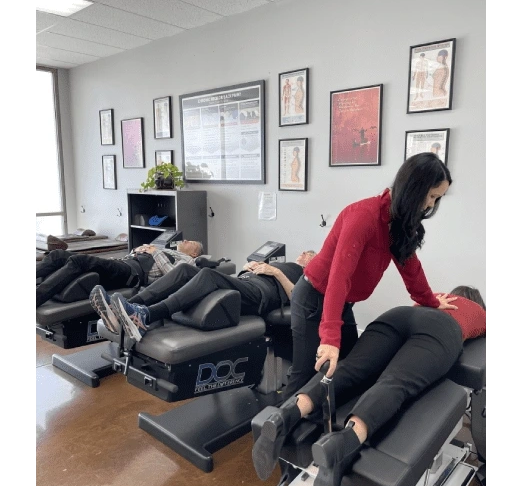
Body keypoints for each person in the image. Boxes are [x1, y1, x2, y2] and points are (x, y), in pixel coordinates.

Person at [252, 285, 487, 486]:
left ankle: (286, 415)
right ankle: (342, 444)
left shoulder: (435, 297)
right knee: (395, 383)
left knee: (350, 369)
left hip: (397, 315)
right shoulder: (478, 311)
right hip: (441, 331)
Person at [284, 152, 457, 400]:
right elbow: (338, 278)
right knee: (305, 376)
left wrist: (430, 300)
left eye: (436, 199)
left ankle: (324, 432)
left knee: (349, 369)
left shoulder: (397, 222)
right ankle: (275, 433)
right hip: (314, 298)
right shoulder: (364, 216)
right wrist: (330, 338)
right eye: (430, 196)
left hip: (341, 301)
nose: (430, 205)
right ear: (414, 188)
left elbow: (410, 267)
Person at [92, 250, 318, 344]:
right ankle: (129, 307)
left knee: (209, 275)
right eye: (304, 252)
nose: (304, 254)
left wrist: (275, 272)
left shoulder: (307, 274)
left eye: (310, 254)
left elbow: (297, 297)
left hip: (262, 295)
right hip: (249, 283)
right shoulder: (283, 262)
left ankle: (146, 316)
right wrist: (249, 269)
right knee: (183, 269)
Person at [34, 240, 203, 309]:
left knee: (79, 261)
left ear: (195, 253)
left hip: (131, 274)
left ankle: (36, 297)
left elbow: (174, 275)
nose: (185, 240)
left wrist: (155, 252)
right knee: (57, 255)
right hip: (123, 263)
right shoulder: (167, 250)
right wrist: (138, 250)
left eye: (191, 242)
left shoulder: (188, 261)